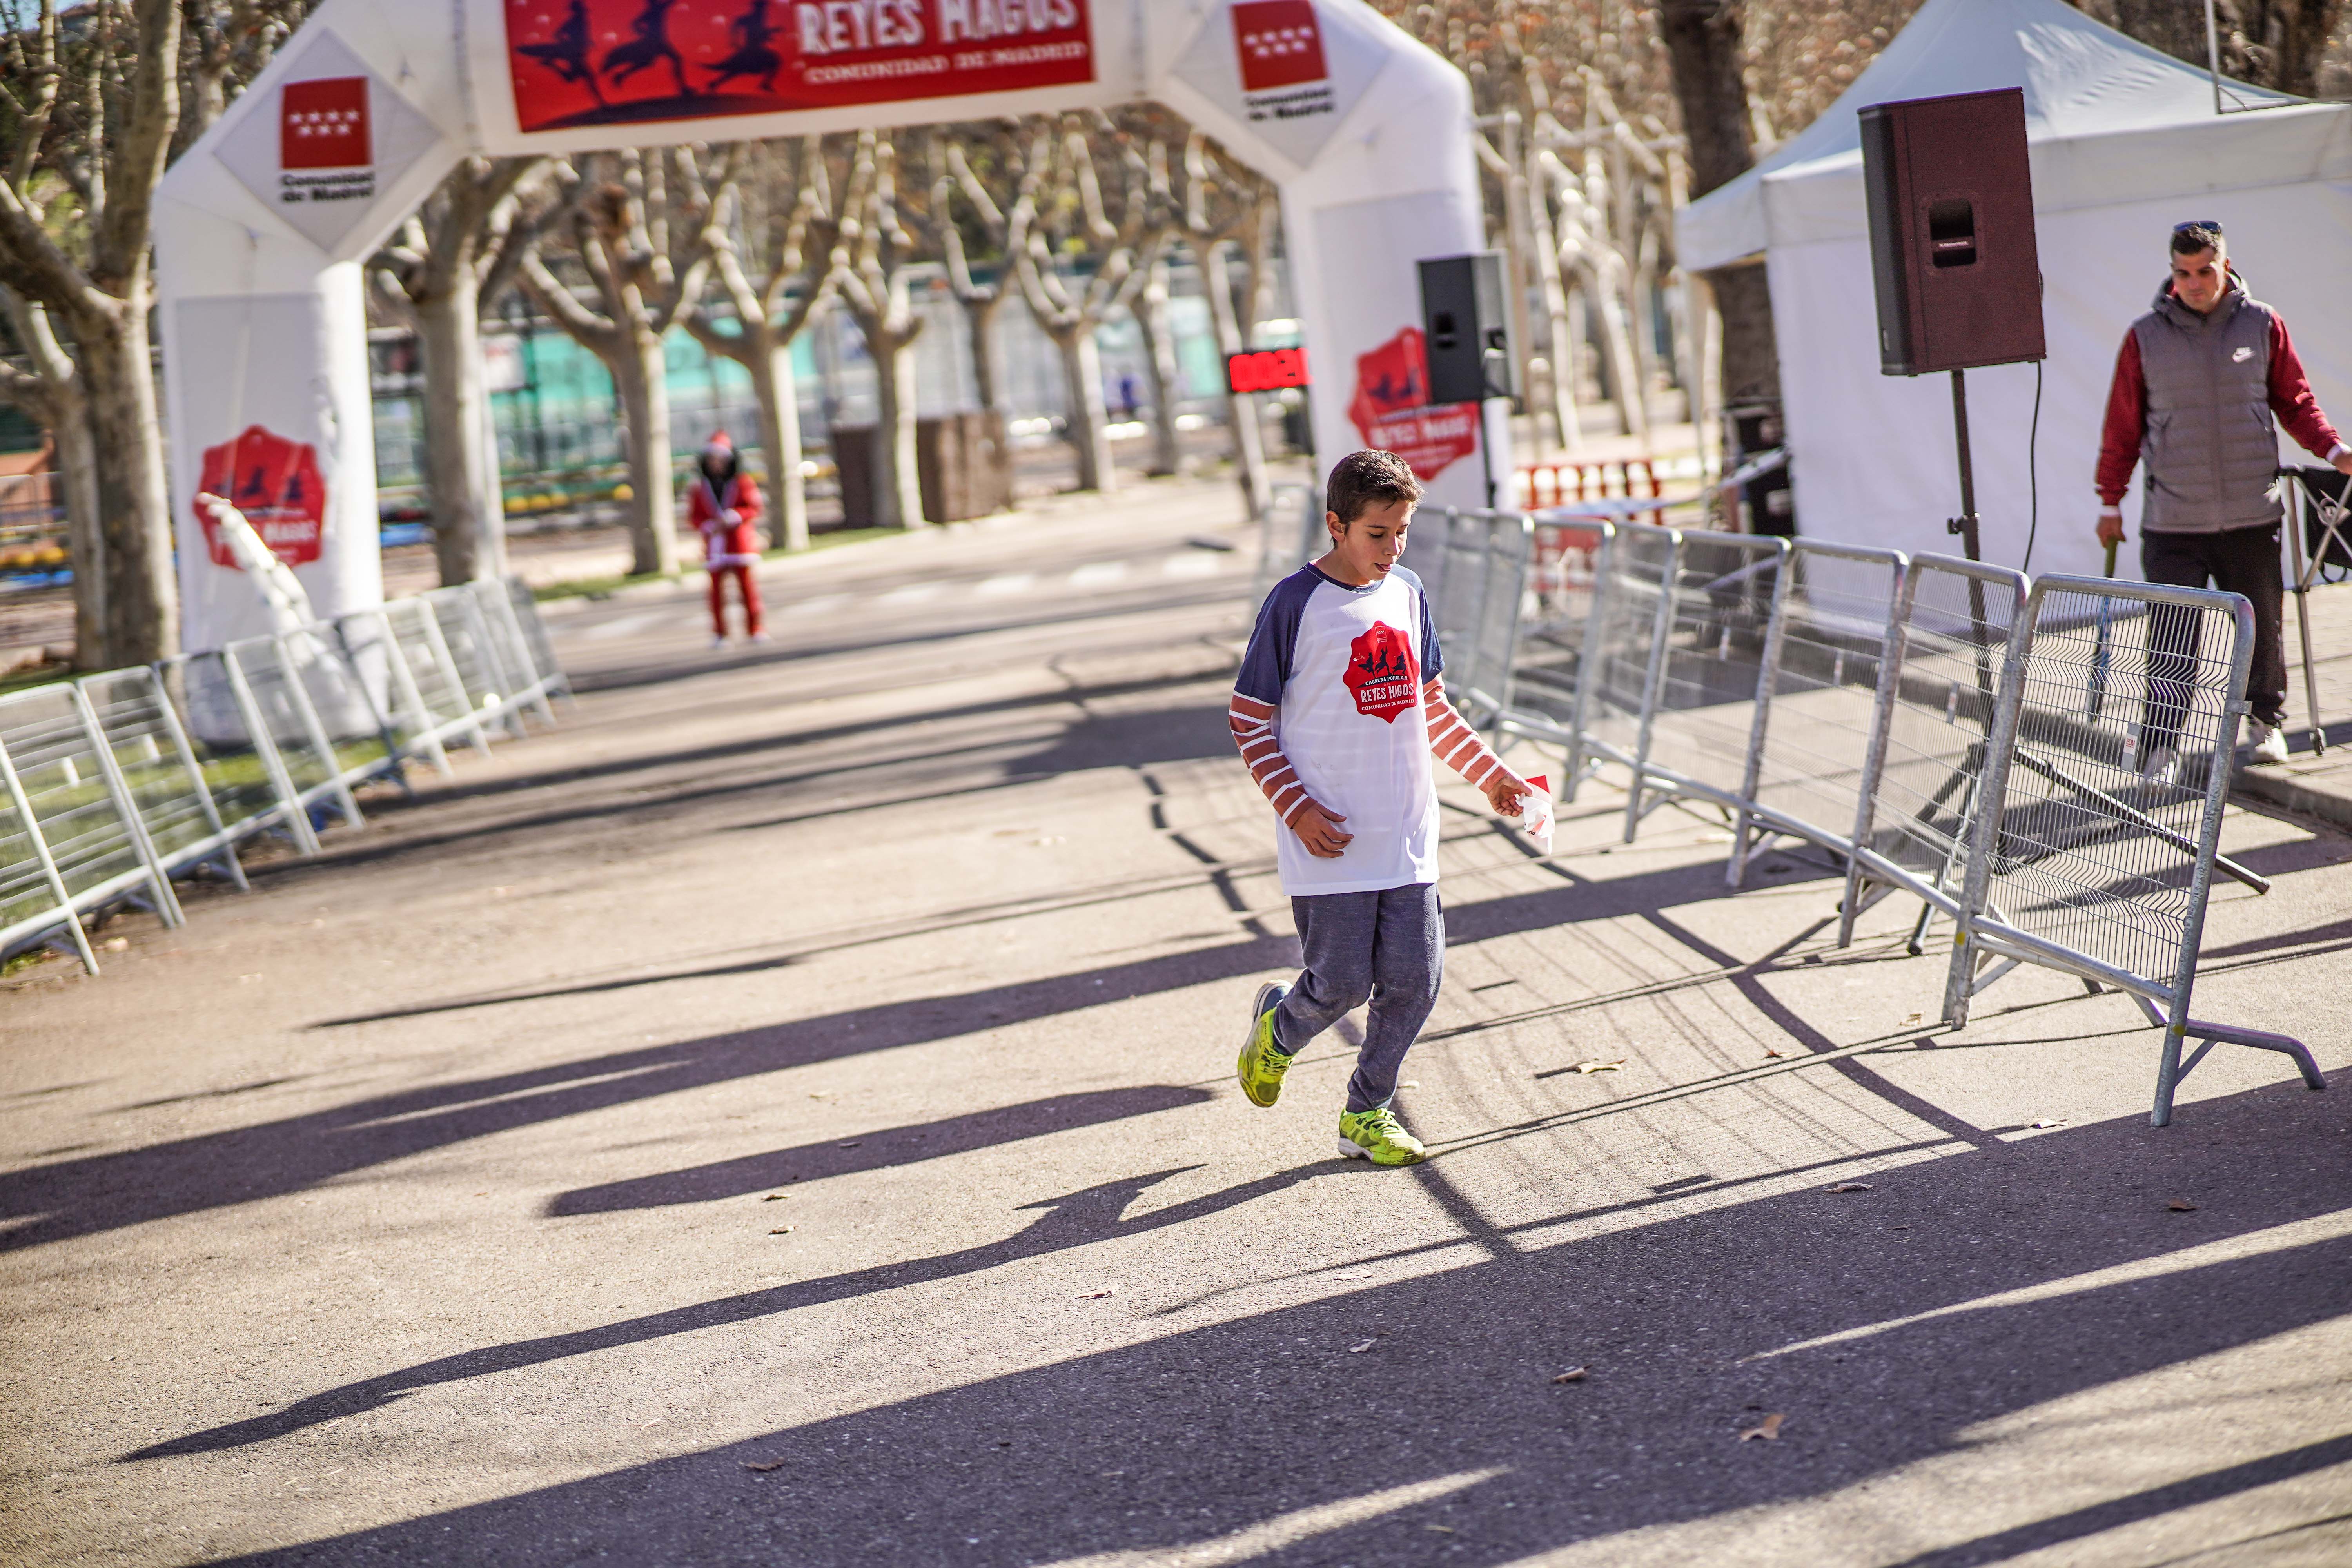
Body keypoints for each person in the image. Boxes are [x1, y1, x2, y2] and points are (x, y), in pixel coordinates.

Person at [1227, 450, 1531, 1166]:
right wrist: (1296, 807)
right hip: (1328, 834)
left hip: (1406, 832)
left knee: (1416, 981)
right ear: (1336, 525)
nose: (1391, 549)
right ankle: (1281, 1025)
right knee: (1339, 987)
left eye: (1401, 533)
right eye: (1376, 533)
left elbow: (1430, 705)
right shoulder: (1295, 604)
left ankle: (1368, 1111)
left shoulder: (1409, 592)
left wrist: (1489, 774)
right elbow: (1248, 717)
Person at [2096, 220, 2352, 776]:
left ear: (2225, 267)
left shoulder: (2262, 325)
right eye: (2182, 273)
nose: (2193, 283)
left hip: (2251, 514)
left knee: (2260, 628)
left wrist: (2334, 451)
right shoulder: (2145, 337)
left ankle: (2266, 725)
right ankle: (2162, 746)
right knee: (2171, 640)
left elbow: (2296, 401)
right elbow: (2121, 427)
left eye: (2204, 271)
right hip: (2174, 521)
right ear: (2172, 273)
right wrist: (2109, 502)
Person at [688, 432, 766, 646]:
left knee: (748, 590)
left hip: (739, 544)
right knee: (716, 594)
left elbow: (754, 507)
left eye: (721, 459)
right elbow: (694, 516)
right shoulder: (699, 487)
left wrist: (736, 516)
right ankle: (720, 633)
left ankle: (755, 629)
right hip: (714, 545)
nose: (716, 464)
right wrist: (708, 525)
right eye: (712, 459)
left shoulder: (742, 482)